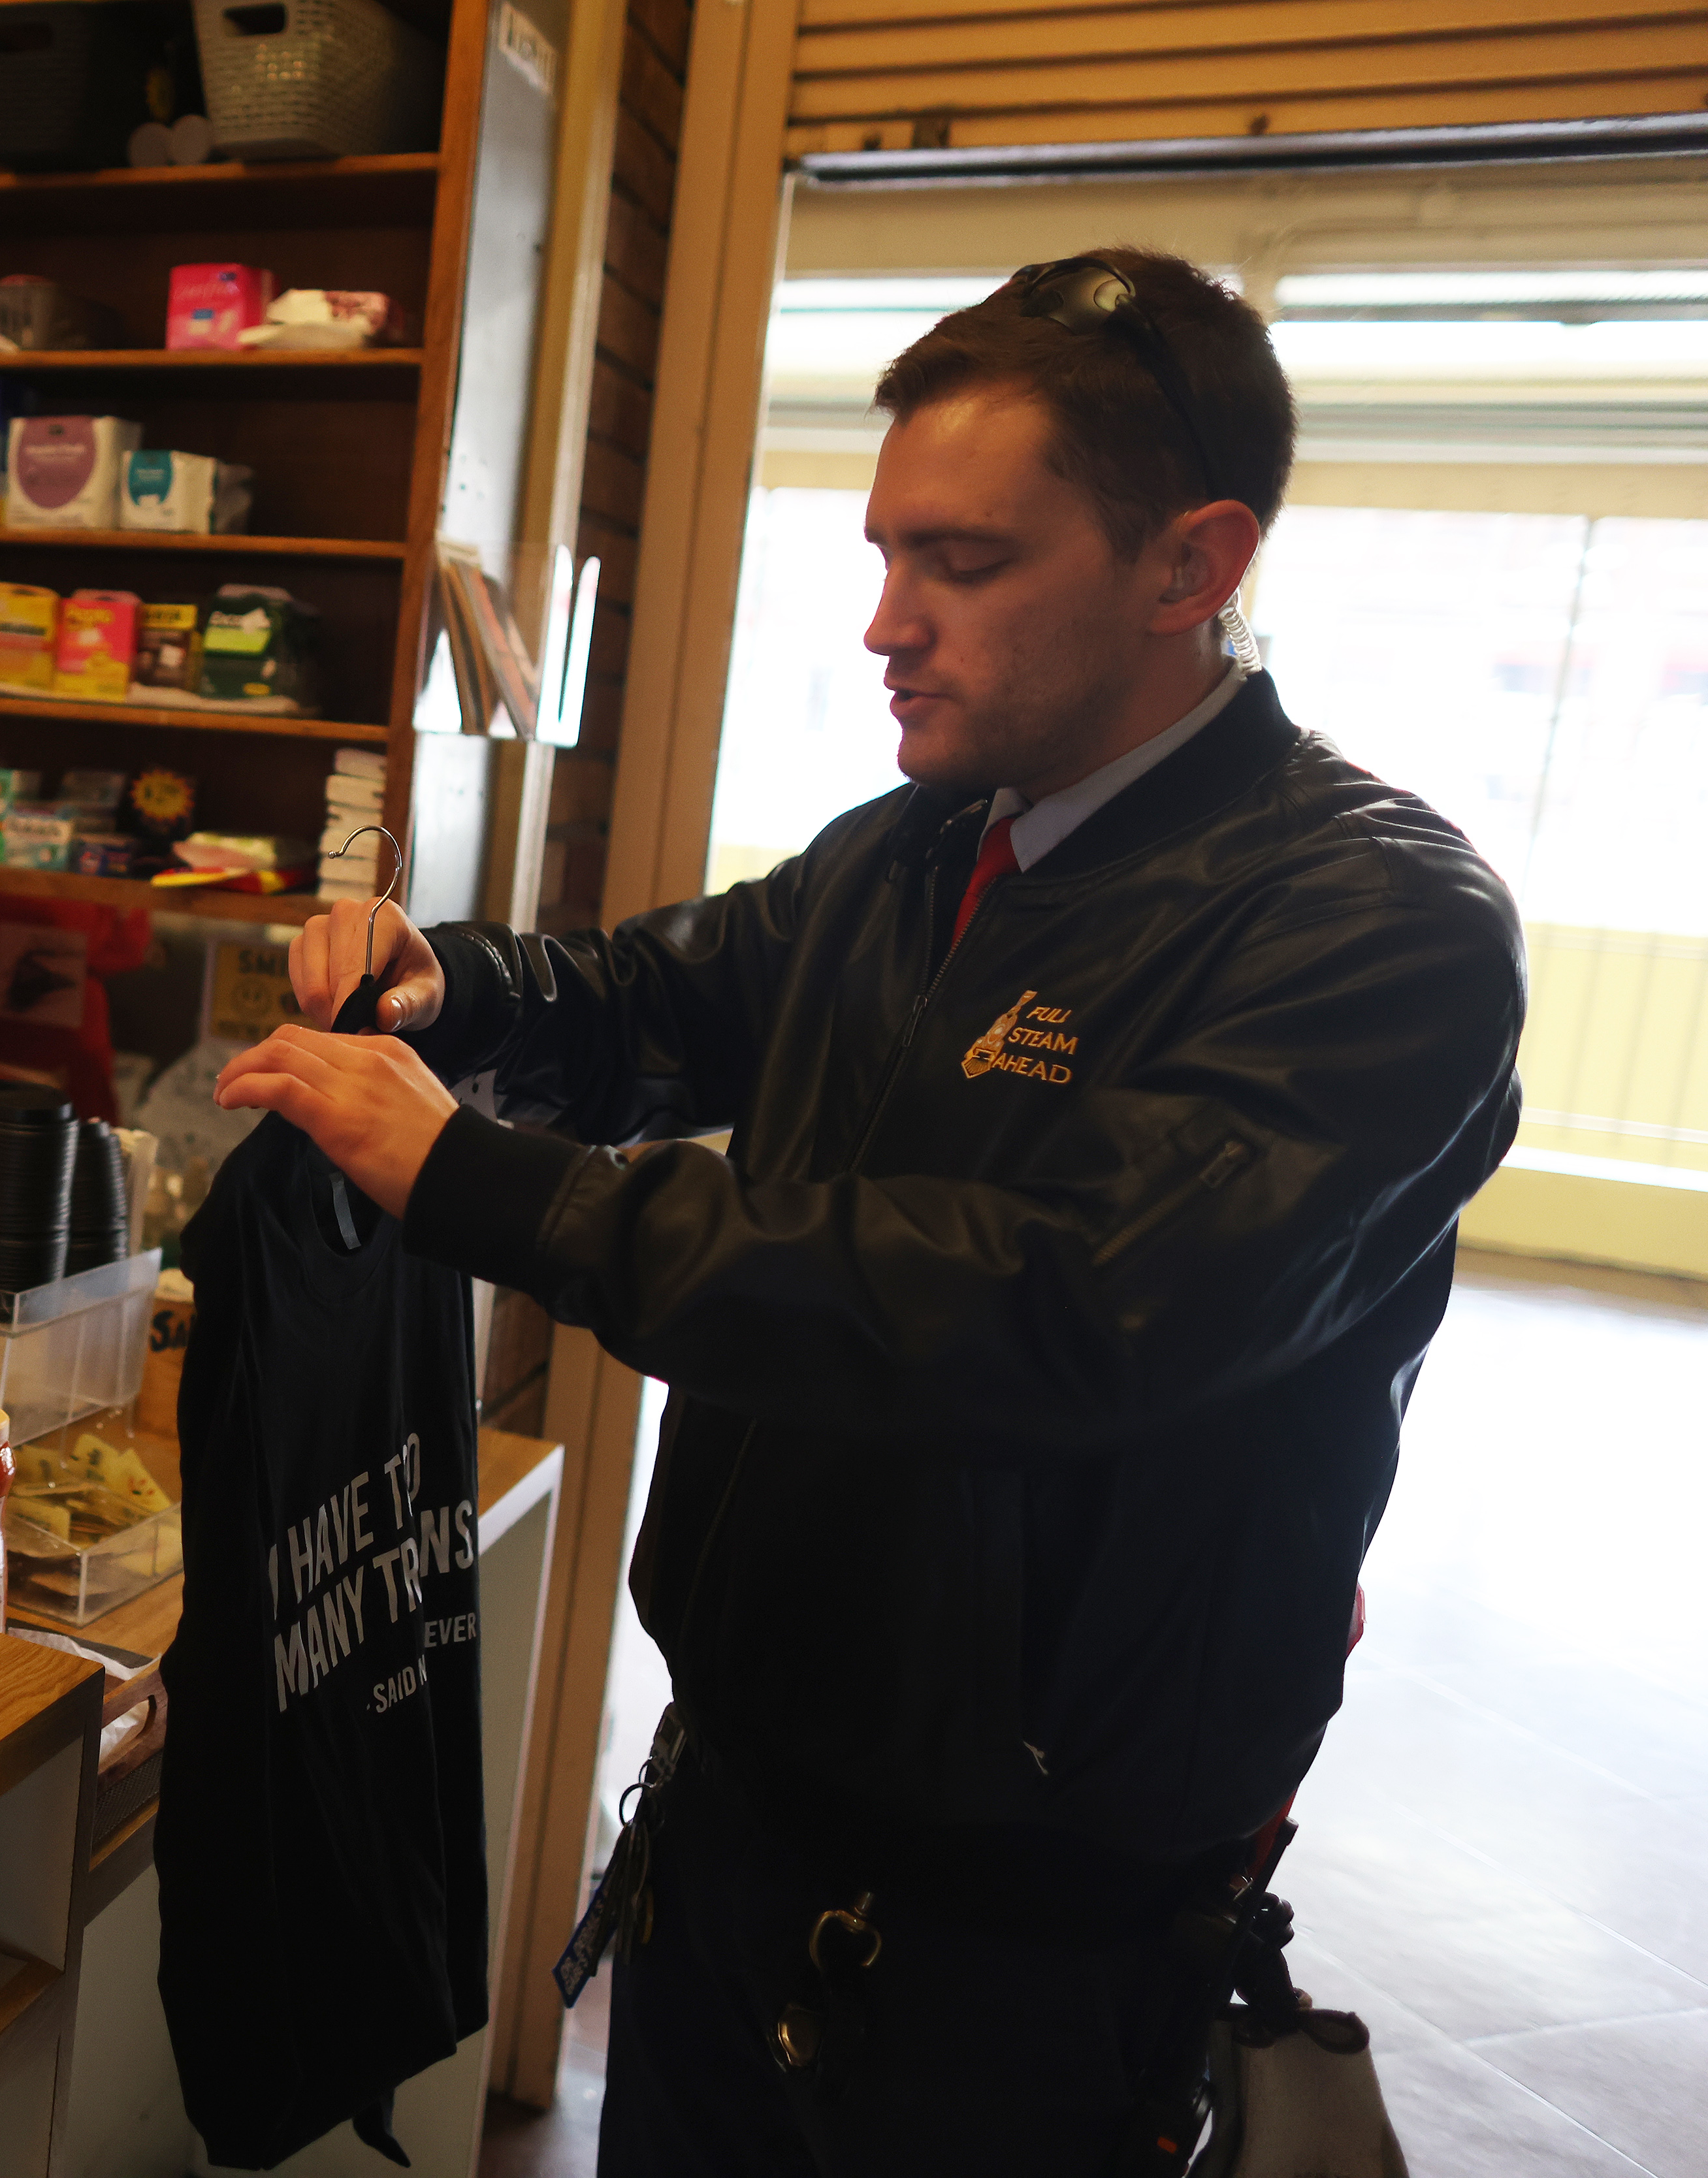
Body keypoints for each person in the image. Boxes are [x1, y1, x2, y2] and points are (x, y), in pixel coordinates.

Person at [218, 250, 1523, 2173]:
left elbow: (1062, 1303)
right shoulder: (922, 844)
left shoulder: (1375, 924)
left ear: (1191, 566)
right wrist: (462, 990)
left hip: (1019, 1939)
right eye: (885, 553)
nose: (885, 625)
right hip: (738, 1816)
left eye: (962, 565)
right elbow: (660, 1001)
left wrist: (486, 1182)